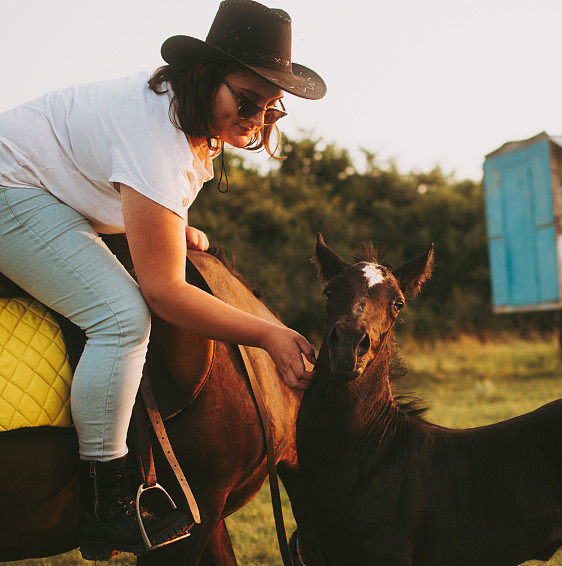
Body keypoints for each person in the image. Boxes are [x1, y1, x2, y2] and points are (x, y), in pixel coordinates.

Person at [0, 0, 325, 558]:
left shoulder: (187, 117)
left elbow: (134, 179)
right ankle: (110, 501)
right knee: (121, 318)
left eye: (272, 111)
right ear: (206, 75)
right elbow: (165, 292)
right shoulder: (160, 134)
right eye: (247, 100)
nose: (257, 120)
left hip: (49, 187)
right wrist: (269, 335)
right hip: (12, 188)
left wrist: (175, 223)